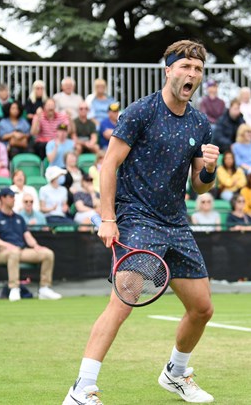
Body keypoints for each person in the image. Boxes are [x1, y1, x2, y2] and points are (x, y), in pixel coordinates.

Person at [63, 40, 218, 405]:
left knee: (202, 309)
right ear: (168, 70)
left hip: (175, 222)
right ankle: (81, 388)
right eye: (184, 67)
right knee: (124, 300)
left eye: (197, 70)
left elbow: (198, 186)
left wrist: (209, 169)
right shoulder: (140, 112)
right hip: (136, 216)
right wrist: (108, 218)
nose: (191, 74)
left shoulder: (199, 123)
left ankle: (176, 374)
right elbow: (109, 165)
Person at [0, 187, 62, 301]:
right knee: (13, 253)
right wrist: (8, 246)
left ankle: (44, 289)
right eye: (11, 197)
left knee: (47, 254)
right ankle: (14, 288)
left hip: (21, 251)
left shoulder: (19, 218)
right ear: (2, 199)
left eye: (14, 197)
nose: (13, 199)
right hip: (1, 253)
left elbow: (27, 236)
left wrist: (36, 246)